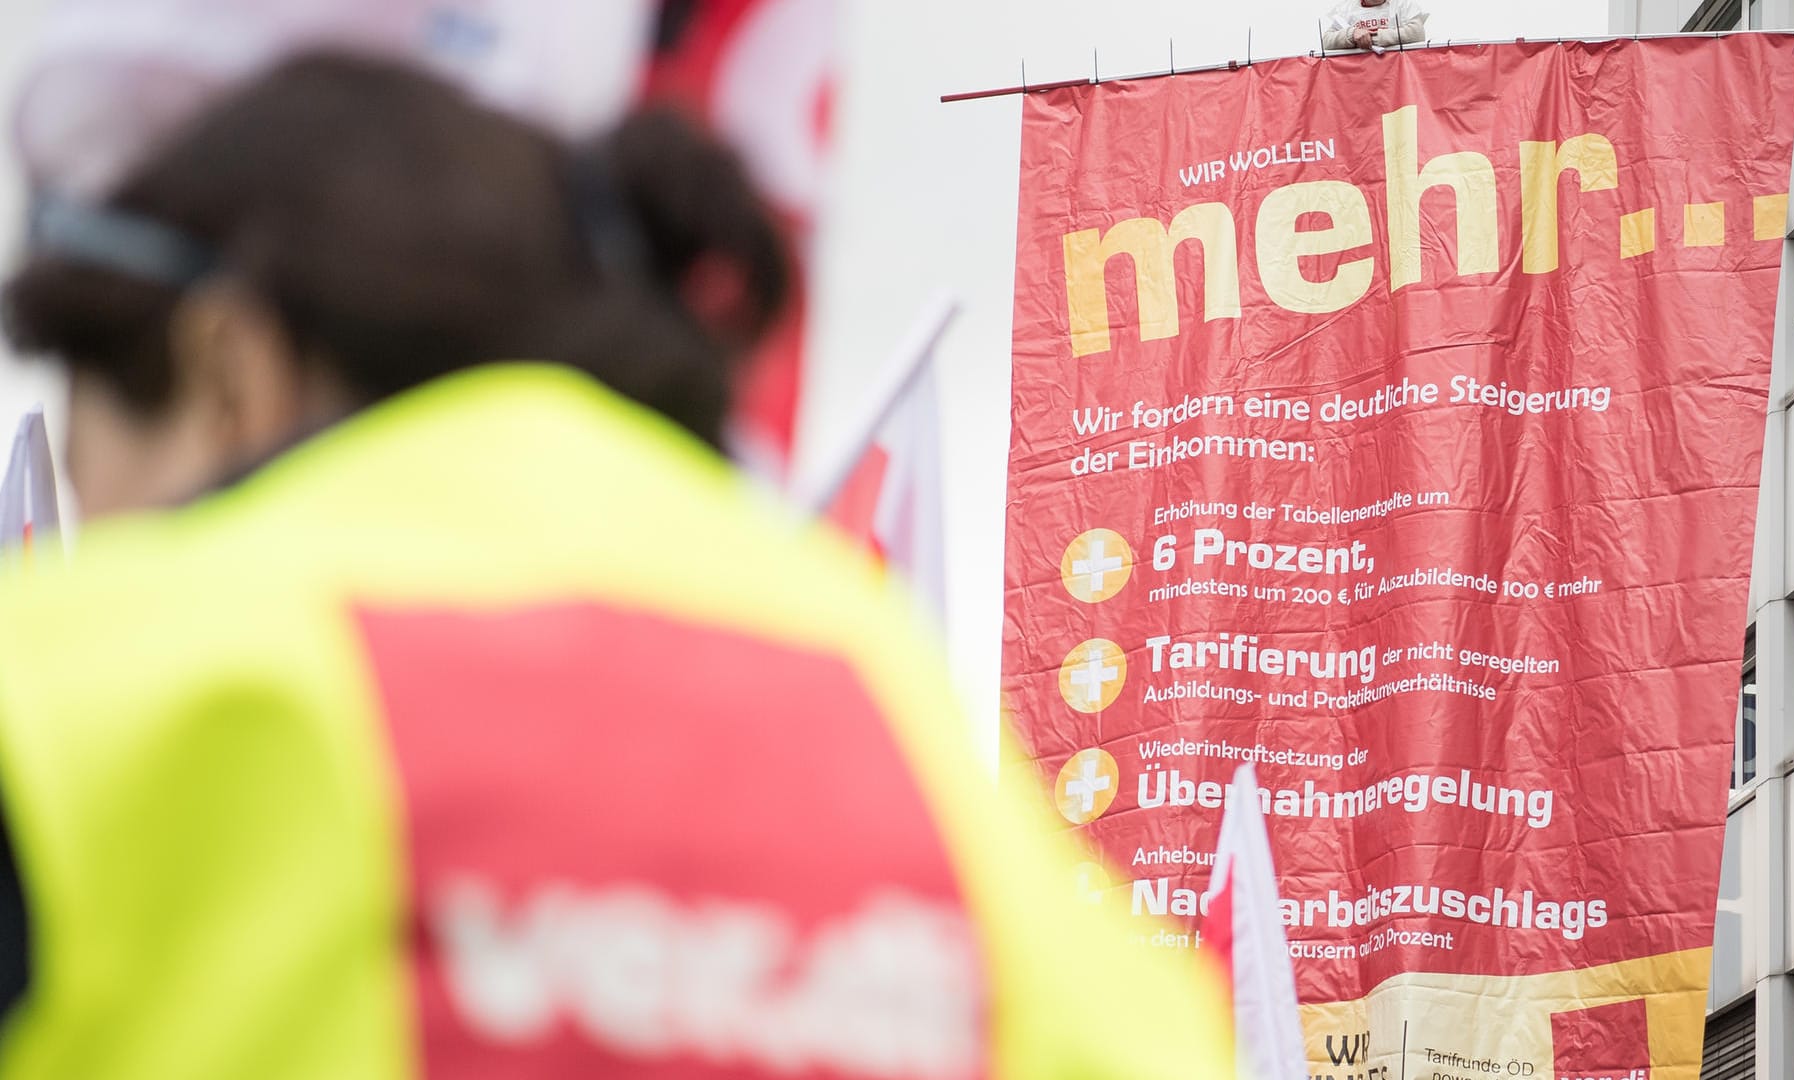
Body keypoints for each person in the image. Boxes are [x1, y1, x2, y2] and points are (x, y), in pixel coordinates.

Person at [0, 52, 1236, 1079]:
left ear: (228, 372)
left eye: (88, 454)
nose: (79, 523)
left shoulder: (83, 689)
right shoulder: (932, 765)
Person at [1320, 0, 1430, 51]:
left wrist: (1372, 38)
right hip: (1359, 75)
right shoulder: (1345, 9)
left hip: (1397, 74)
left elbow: (1417, 33)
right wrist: (1352, 34)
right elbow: (1326, 40)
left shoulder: (1403, 4)